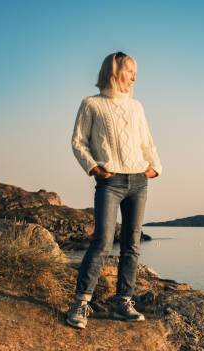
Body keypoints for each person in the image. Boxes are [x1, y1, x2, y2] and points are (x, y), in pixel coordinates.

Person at [67, 51, 163, 329]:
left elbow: (148, 142)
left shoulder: (136, 107)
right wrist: (94, 169)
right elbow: (78, 142)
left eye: (136, 72)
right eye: (130, 70)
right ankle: (80, 304)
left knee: (131, 245)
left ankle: (123, 301)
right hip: (110, 182)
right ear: (113, 72)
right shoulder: (91, 104)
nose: (135, 77)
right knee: (102, 242)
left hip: (138, 181)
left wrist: (155, 167)